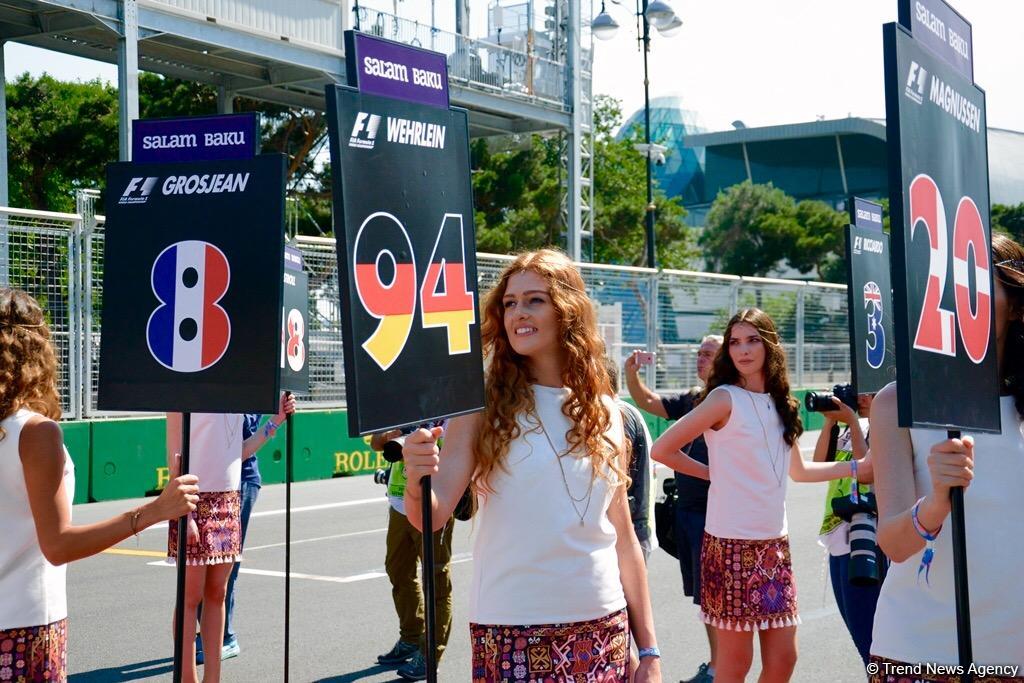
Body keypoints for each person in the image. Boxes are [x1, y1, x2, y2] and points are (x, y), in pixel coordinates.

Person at [402, 249, 662, 682]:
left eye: (534, 300)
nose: (518, 312)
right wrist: (416, 478)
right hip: (510, 629)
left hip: (602, 627)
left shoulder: (608, 413)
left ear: (567, 310)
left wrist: (649, 650)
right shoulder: (479, 408)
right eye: (509, 303)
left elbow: (623, 539)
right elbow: (430, 515)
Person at [650, 308, 871, 683]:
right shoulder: (723, 398)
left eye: (752, 340)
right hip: (730, 546)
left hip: (774, 548)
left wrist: (856, 468)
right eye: (735, 342)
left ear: (770, 345)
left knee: (784, 659)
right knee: (736, 665)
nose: (743, 350)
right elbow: (662, 449)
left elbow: (797, 472)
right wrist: (712, 474)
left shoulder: (784, 404)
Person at [0, 287, 199, 682]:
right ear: (35, 351)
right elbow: (57, 546)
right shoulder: (35, 433)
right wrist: (153, 512)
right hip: (23, 627)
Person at [868, 234, 1024, 681]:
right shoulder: (898, 404)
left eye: (976, 283)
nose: (958, 298)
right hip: (920, 652)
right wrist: (935, 503)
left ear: (1014, 304)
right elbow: (895, 545)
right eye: (946, 283)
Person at [166, 391, 294, 683]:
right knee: (190, 597)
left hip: (228, 501)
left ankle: (213, 679)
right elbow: (174, 458)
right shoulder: (182, 389)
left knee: (217, 594)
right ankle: (187, 678)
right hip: (192, 499)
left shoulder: (237, 395)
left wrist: (277, 420)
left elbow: (240, 451)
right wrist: (185, 513)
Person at [625, 335, 722, 683]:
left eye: (708, 354)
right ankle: (719, 664)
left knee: (715, 596)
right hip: (690, 513)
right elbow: (649, 401)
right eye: (699, 353)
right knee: (705, 596)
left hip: (717, 514)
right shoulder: (695, 399)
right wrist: (631, 376)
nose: (700, 359)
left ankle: (719, 668)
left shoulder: (728, 399)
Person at [196, 401, 296, 665]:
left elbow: (239, 449)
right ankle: (208, 632)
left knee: (224, 569)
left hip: (239, 482)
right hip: (205, 483)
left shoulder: (247, 387)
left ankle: (224, 637)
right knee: (198, 567)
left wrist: (277, 418)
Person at [371, 420, 453, 682]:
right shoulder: (402, 404)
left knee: (436, 580)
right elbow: (376, 442)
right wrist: (394, 432)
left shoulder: (448, 411)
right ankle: (410, 637)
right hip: (399, 501)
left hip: (435, 501)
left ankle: (430, 653)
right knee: (398, 571)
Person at [811, 393, 879, 666]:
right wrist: (830, 423)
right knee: (857, 631)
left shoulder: (887, 429)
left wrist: (851, 419)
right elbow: (818, 463)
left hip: (865, 539)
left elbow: (866, 472)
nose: (861, 397)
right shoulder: (857, 429)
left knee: (870, 637)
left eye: (869, 393)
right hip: (837, 536)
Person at [606, 360, 656, 561]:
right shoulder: (626, 410)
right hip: (634, 527)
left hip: (626, 530)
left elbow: (614, 478)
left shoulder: (617, 414)